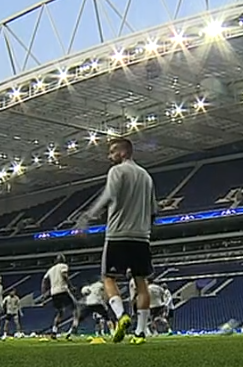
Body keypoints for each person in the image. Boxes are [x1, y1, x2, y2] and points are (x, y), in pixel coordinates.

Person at [76, 137, 158, 344]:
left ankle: (121, 316)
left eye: (112, 151)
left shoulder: (117, 171)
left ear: (123, 153)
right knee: (141, 283)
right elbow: (153, 210)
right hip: (141, 238)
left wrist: (87, 216)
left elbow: (108, 195)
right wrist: (145, 230)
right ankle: (140, 332)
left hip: (117, 235)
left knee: (108, 278)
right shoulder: (146, 176)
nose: (109, 156)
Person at [41, 253, 76, 339]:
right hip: (63, 290)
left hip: (54, 293)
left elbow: (44, 280)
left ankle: (54, 331)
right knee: (76, 308)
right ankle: (72, 330)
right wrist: (71, 286)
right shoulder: (63, 266)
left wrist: (44, 292)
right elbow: (64, 275)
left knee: (60, 312)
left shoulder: (51, 269)